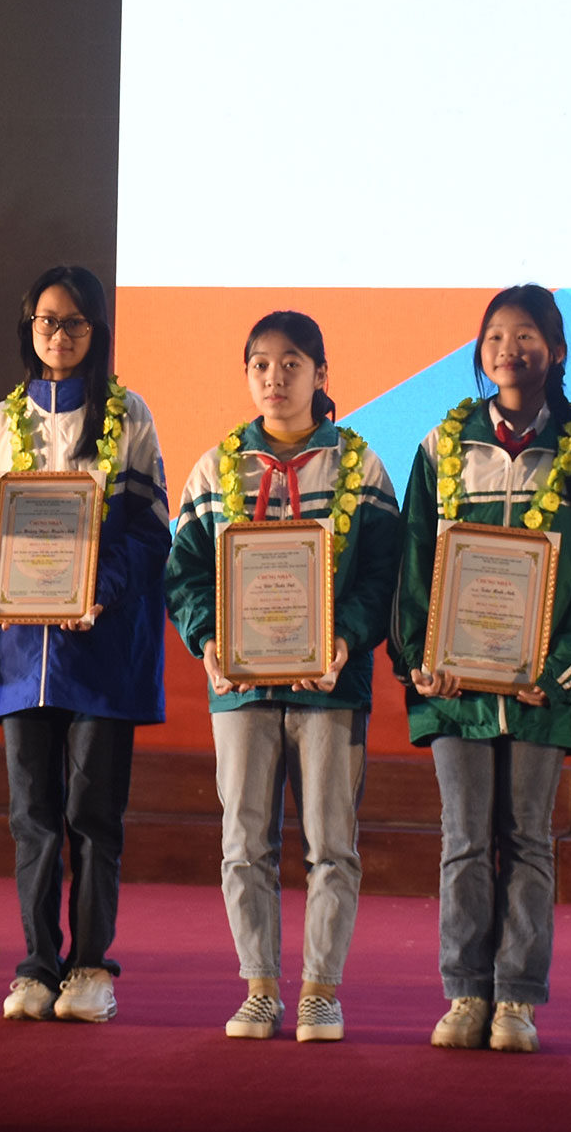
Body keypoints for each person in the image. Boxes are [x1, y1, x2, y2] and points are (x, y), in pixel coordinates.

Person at [164, 311, 400, 1045]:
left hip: (332, 685)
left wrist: (344, 639)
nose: (276, 378)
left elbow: (382, 575)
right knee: (244, 842)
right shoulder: (216, 468)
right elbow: (185, 574)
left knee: (332, 842)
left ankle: (321, 991)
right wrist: (207, 639)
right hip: (238, 687)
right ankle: (260, 988)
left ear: (321, 374)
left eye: (292, 363)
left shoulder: (360, 466)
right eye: (261, 364)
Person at [390, 285, 571, 1055]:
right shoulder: (439, 447)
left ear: (556, 350)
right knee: (462, 838)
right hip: (454, 691)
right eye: (494, 336)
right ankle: (464, 991)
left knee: (528, 841)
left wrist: (558, 674)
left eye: (525, 335)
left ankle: (516, 996)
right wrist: (421, 661)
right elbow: (413, 563)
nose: (508, 349)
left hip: (541, 692)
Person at [0, 265, 170, 1025]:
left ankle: (91, 965)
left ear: (96, 330)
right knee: (33, 817)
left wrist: (97, 586)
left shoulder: (130, 417)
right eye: (47, 320)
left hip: (102, 648)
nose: (60, 334)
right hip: (21, 654)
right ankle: (37, 966)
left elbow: (151, 532)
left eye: (75, 322)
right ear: (28, 327)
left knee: (93, 814)